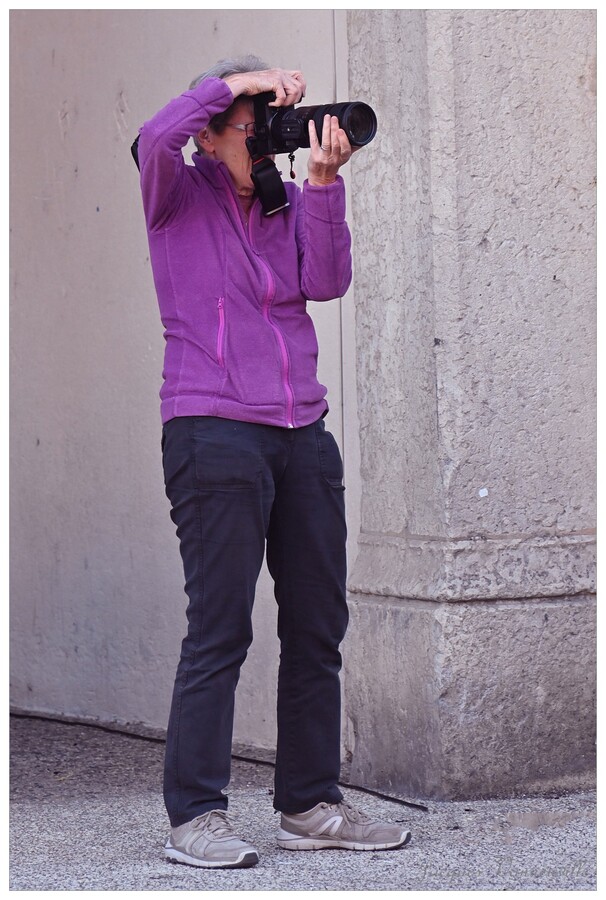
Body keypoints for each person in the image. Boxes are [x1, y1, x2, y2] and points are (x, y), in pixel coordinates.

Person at [136, 55, 411, 869]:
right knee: (221, 627)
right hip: (213, 431)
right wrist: (241, 81)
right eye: (250, 125)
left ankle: (310, 805)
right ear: (211, 131)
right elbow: (154, 135)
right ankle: (196, 817)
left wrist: (322, 184)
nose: (265, 138)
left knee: (318, 626)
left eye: (270, 125)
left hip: (302, 434)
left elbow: (325, 281)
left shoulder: (283, 201)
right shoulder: (174, 192)